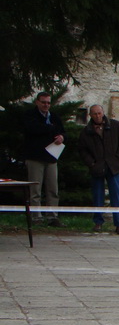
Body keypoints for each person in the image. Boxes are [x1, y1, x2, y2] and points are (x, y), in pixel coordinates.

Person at [78, 104, 119, 235]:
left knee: (116, 195)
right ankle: (98, 222)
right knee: (98, 195)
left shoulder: (114, 125)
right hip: (97, 166)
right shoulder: (87, 131)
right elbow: (82, 150)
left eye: (99, 113)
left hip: (112, 165)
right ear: (90, 115)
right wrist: (91, 163)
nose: (98, 116)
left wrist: (118, 158)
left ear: (103, 113)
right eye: (94, 114)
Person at [23, 91, 66, 226]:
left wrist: (62, 137)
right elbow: (33, 129)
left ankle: (52, 216)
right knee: (35, 190)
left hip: (51, 157)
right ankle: (36, 217)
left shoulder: (54, 117)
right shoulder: (30, 116)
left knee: (53, 189)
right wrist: (50, 129)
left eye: (48, 103)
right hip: (35, 157)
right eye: (43, 102)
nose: (46, 105)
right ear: (37, 102)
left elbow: (62, 131)